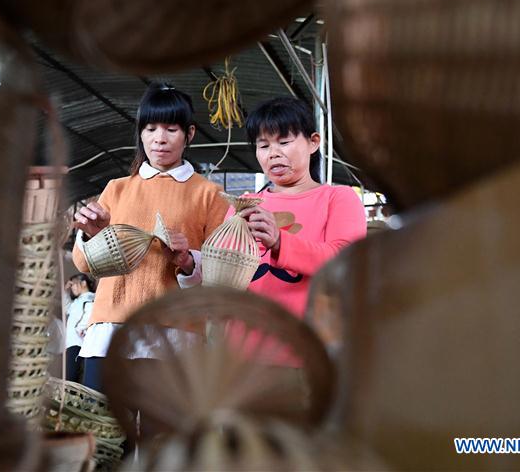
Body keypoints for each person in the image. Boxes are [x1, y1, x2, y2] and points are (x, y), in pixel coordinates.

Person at [71, 82, 229, 391]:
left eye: (171, 129)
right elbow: (84, 264)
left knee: (164, 437)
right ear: (140, 132)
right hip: (110, 330)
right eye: (151, 128)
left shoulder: (210, 195)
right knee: (104, 434)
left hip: (175, 335)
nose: (159, 138)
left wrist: (187, 262)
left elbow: (220, 273)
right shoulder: (116, 189)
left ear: (190, 134)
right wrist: (93, 236)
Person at [180, 97, 366, 322]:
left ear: (313, 142)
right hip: (244, 341)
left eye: (284, 142)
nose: (273, 153)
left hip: (307, 338)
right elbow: (223, 272)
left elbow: (347, 264)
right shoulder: (245, 204)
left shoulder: (338, 198)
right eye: (264, 145)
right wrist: (189, 263)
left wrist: (280, 243)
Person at [62, 273, 95, 383]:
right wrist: (65, 291)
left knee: (72, 377)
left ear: (84, 283)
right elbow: (66, 307)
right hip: (72, 342)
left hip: (78, 342)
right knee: (70, 376)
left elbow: (89, 313)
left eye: (74, 284)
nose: (72, 287)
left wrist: (80, 328)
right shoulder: (77, 301)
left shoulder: (90, 298)